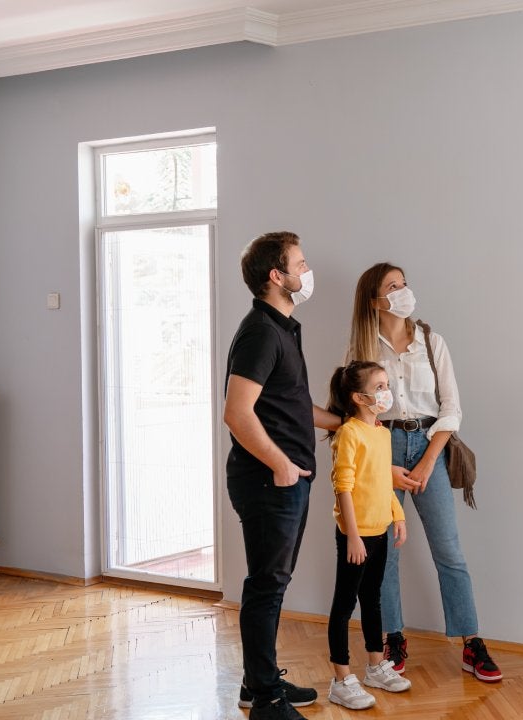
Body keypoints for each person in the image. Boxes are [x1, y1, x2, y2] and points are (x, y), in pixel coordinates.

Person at [344, 262, 502, 683]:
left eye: (404, 283)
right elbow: (356, 415)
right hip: (382, 450)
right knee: (386, 555)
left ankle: (471, 642)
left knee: (449, 551)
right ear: (375, 301)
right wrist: (383, 466)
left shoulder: (432, 341)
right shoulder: (362, 348)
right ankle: (393, 638)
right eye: (392, 287)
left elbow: (451, 408)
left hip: (429, 444)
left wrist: (430, 459)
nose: (403, 291)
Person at [223, 231, 342, 720]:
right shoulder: (260, 332)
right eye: (301, 262)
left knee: (274, 582)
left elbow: (288, 403)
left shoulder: (285, 328)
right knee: (266, 586)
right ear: (278, 276)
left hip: (290, 479)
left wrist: (342, 420)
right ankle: (265, 700)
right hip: (271, 482)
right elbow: (237, 412)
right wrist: (281, 465)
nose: (307, 270)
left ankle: (261, 683)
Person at [322, 361, 413, 710]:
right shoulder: (349, 434)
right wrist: (353, 536)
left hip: (381, 530)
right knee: (344, 605)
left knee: (372, 599)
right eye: (379, 386)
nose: (385, 391)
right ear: (358, 397)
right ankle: (341, 678)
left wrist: (398, 516)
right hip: (356, 536)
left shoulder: (382, 433)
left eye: (386, 384)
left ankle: (376, 666)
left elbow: (381, 483)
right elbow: (342, 487)